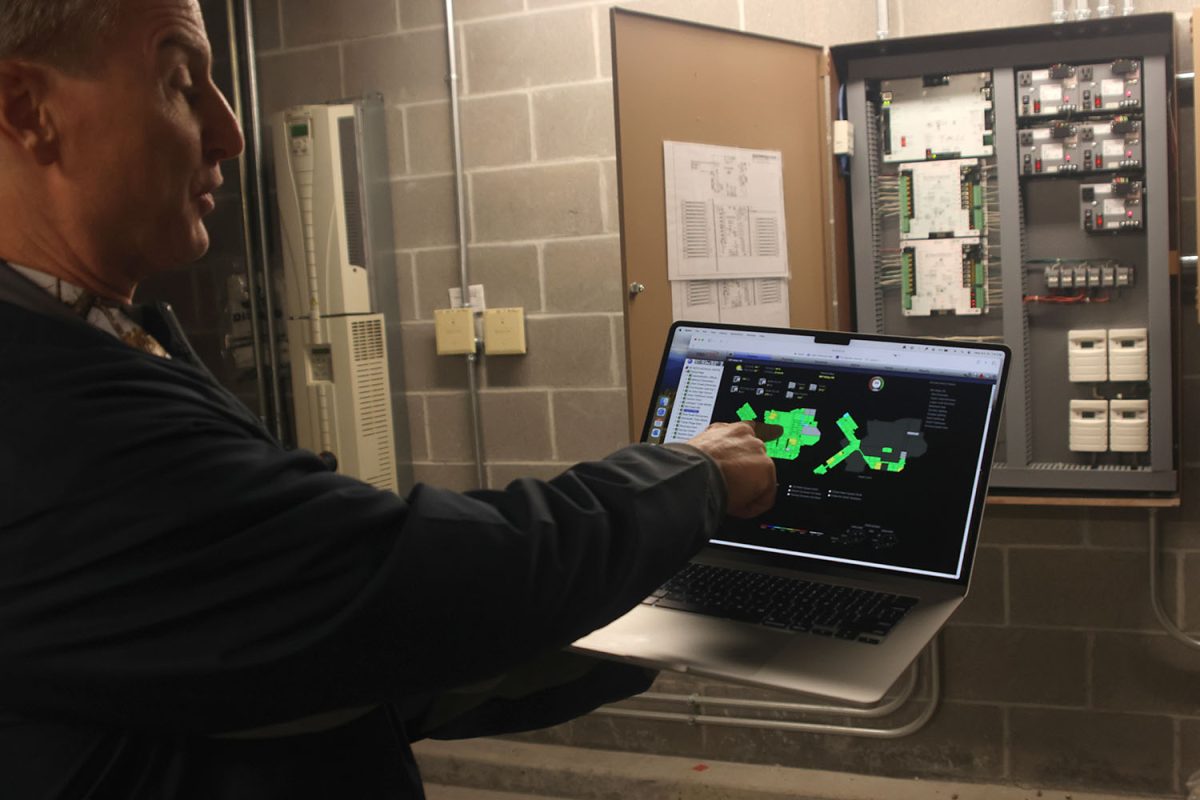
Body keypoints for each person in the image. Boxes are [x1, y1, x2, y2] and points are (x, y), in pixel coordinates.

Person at [0, 1, 778, 797]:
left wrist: (637, 624)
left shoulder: (97, 340)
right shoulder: (43, 414)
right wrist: (694, 475)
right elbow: (402, 584)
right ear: (29, 111)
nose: (230, 132)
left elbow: (325, 648)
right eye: (178, 81)